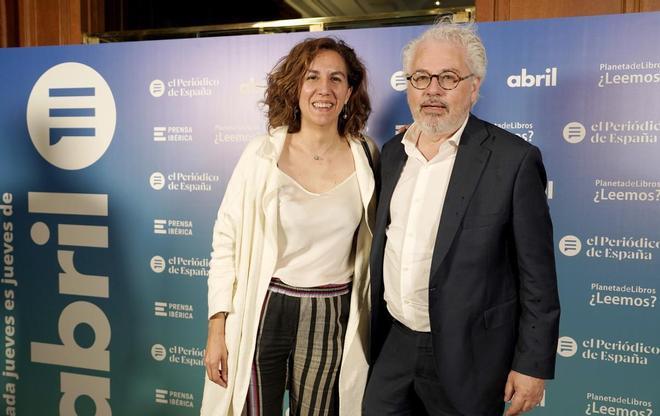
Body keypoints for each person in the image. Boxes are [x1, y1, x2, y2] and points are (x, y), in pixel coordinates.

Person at [363, 21, 560, 416]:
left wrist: (532, 365)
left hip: (471, 357)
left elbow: (537, 277)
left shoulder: (514, 161)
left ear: (474, 87)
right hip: (393, 346)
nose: (432, 90)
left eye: (448, 77)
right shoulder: (392, 154)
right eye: (421, 77)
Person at [200, 37, 377, 416]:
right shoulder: (261, 155)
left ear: (349, 91)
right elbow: (226, 241)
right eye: (311, 77)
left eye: (336, 78)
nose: (323, 89)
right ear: (295, 86)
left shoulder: (367, 155)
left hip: (332, 311)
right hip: (265, 307)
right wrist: (217, 329)